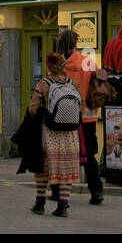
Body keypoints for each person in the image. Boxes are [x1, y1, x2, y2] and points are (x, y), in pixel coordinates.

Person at [27, 53, 81, 217]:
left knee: (43, 167)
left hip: (49, 131)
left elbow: (33, 109)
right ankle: (63, 205)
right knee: (66, 169)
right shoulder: (73, 84)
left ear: (49, 66)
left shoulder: (44, 84)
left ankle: (40, 203)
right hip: (70, 134)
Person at [55, 28, 103, 205]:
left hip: (63, 117)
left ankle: (58, 191)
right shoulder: (88, 63)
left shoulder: (56, 66)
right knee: (88, 155)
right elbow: (99, 86)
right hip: (87, 115)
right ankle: (96, 190)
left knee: (60, 155)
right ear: (75, 44)